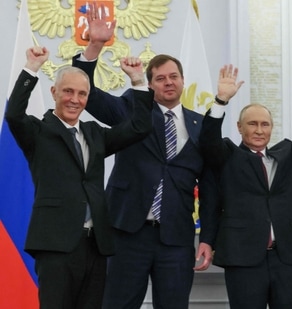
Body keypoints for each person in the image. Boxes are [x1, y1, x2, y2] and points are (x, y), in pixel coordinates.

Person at [71, 4, 219, 308]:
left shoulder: (202, 125)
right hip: (127, 232)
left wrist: (208, 237)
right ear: (149, 85)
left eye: (173, 76)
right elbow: (90, 97)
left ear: (182, 80)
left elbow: (210, 185)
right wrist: (95, 45)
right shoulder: (131, 110)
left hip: (176, 238)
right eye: (161, 78)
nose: (168, 82)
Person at [5, 46, 153, 309]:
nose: (75, 99)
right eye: (68, 92)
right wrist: (31, 68)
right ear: (54, 93)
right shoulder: (38, 132)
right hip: (55, 245)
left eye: (82, 94)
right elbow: (14, 114)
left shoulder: (95, 133)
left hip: (95, 246)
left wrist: (139, 80)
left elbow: (139, 127)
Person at [198, 62, 292, 309]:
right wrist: (221, 101)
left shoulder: (286, 155)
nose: (259, 130)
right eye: (252, 124)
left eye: (265, 124)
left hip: (286, 256)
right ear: (240, 127)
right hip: (243, 256)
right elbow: (207, 139)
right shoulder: (227, 155)